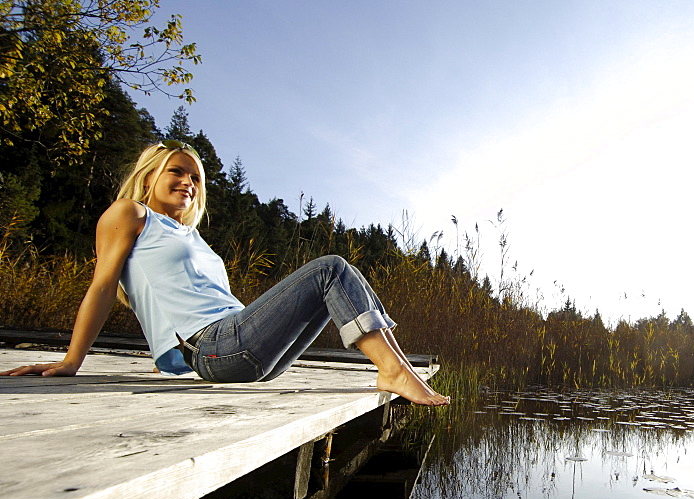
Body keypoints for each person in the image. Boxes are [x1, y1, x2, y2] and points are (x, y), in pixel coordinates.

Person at [0, 141, 450, 406]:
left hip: (242, 353)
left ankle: (399, 366)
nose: (188, 183)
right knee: (331, 269)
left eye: (195, 178)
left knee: (340, 272)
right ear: (150, 175)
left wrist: (171, 363)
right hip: (219, 348)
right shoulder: (130, 213)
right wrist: (71, 361)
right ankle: (395, 371)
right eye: (177, 172)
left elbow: (193, 301)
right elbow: (102, 286)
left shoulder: (193, 238)